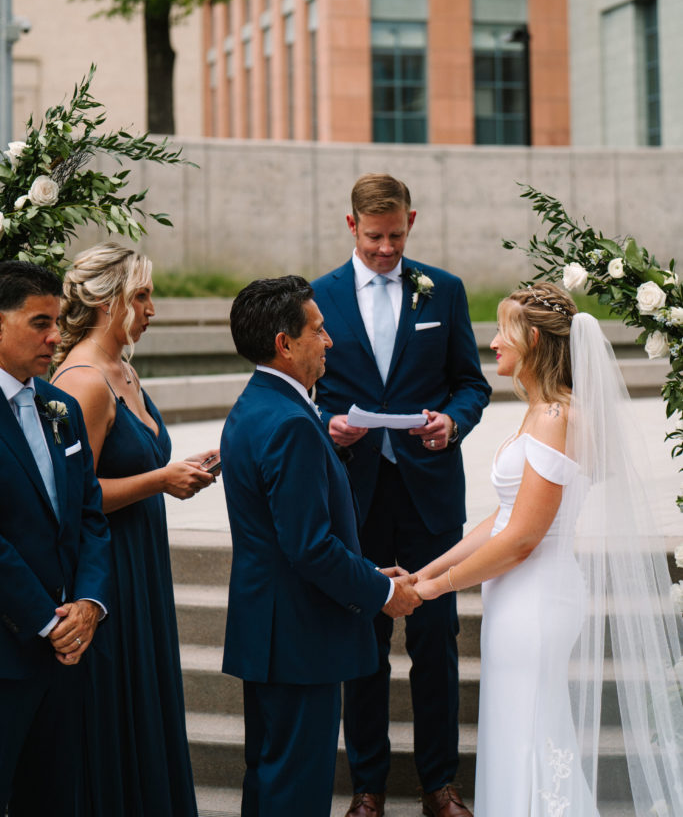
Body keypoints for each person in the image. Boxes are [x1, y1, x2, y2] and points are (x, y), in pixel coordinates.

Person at [414, 282, 683, 816]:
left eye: (502, 330)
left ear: (532, 338)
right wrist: (429, 568)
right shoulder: (543, 411)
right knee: (517, 728)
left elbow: (521, 539)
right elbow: (504, 516)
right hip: (519, 598)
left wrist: (434, 589)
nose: (492, 342)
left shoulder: (556, 417)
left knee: (531, 732)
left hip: (536, 600)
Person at [312, 173, 491, 817]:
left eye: (396, 235)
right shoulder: (318, 297)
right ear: (351, 226)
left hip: (429, 495)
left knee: (435, 642)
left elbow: (471, 383)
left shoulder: (443, 289)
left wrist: (455, 420)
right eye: (374, 237)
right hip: (353, 495)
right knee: (363, 643)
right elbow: (308, 391)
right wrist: (326, 426)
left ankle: (439, 784)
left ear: (411, 221)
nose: (386, 249)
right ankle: (367, 786)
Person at [220, 276, 422, 817]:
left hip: (271, 629)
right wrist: (381, 590)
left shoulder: (257, 404)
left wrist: (363, 569)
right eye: (319, 330)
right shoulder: (290, 422)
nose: (328, 340)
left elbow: (291, 534)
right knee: (295, 789)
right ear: (285, 344)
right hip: (296, 637)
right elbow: (309, 548)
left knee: (270, 777)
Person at [51, 242, 217, 817]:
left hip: (142, 560)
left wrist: (178, 470)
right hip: (109, 566)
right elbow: (73, 497)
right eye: (141, 296)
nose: (152, 309)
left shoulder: (125, 368)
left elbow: (140, 467)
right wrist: (159, 480)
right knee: (115, 706)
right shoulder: (84, 382)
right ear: (105, 303)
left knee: (146, 701)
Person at [0, 260, 111, 816]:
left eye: (59, 321)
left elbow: (89, 516)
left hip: (68, 655)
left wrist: (89, 603)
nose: (55, 336)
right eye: (39, 322)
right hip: (9, 649)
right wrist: (47, 621)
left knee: (55, 799)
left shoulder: (61, 408)